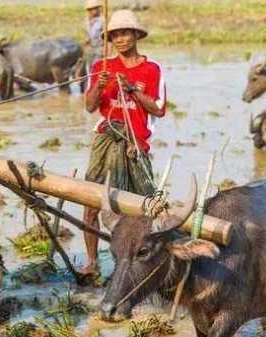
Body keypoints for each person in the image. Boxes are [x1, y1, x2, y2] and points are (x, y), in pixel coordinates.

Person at [82, 9, 167, 277]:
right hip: (106, 140)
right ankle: (92, 263)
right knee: (90, 204)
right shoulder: (101, 68)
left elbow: (158, 108)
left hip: (136, 145)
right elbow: (89, 106)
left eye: (125, 33)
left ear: (136, 35)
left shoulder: (151, 69)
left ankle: (148, 265)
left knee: (146, 209)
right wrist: (99, 86)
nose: (120, 39)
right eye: (115, 35)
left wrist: (131, 89)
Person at [84, 0, 104, 70]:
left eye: (95, 8)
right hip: (91, 49)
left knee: (96, 66)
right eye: (91, 9)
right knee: (88, 67)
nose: (94, 11)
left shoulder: (102, 20)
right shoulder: (87, 21)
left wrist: (105, 50)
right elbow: (88, 35)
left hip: (100, 48)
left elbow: (108, 38)